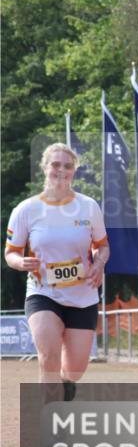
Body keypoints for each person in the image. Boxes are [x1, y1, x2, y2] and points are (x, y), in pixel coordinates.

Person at [5, 143, 110, 401]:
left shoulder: (89, 207)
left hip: (83, 295)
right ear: (44, 168)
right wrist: (20, 263)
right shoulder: (26, 210)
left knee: (74, 369)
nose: (61, 170)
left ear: (74, 171)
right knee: (48, 357)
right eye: (55, 164)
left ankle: (66, 383)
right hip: (43, 292)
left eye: (67, 166)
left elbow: (103, 247)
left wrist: (99, 264)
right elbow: (10, 253)